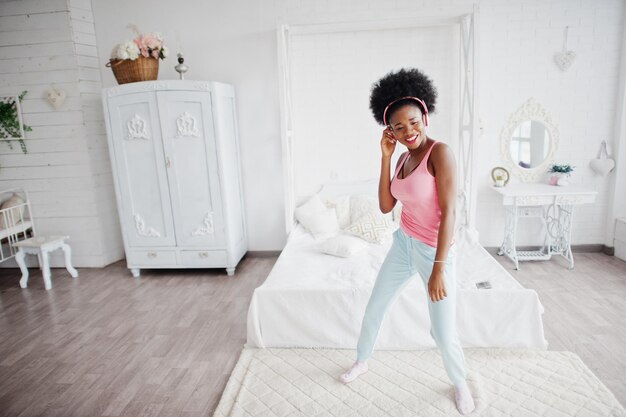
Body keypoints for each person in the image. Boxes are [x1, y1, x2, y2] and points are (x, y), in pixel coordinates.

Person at [338, 68, 475, 415]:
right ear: (391, 131)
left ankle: (460, 382)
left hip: (435, 252)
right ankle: (362, 360)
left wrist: (439, 269)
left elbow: (450, 214)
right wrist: (384, 157)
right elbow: (386, 206)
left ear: (424, 116)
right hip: (404, 243)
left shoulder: (440, 154)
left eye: (413, 122)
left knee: (442, 332)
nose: (408, 131)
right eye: (399, 127)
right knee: (375, 307)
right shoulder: (400, 157)